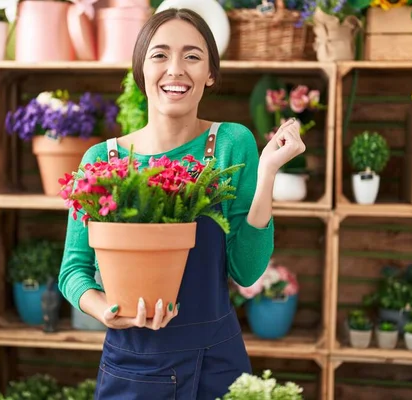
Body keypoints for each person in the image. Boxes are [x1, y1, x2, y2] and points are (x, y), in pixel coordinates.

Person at [58, 8, 305, 399]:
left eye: (192, 56)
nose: (175, 69)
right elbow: (73, 271)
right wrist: (105, 309)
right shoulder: (101, 161)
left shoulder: (231, 144)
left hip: (217, 363)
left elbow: (247, 270)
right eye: (160, 55)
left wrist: (267, 173)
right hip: (133, 366)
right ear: (141, 70)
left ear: (210, 73)